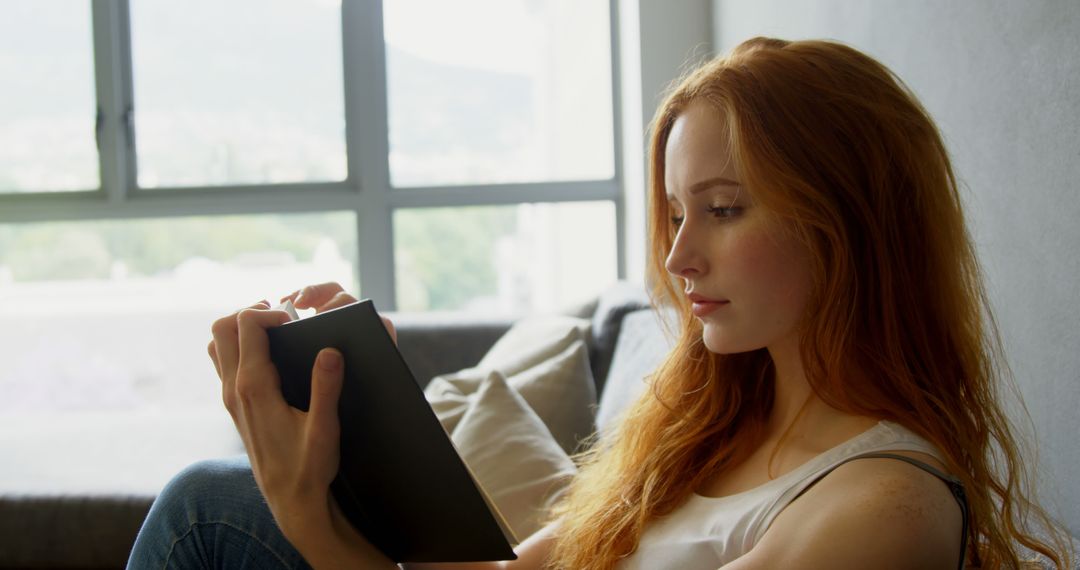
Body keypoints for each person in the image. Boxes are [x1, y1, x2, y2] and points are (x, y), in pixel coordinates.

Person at [127, 37, 1073, 569]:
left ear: (853, 221)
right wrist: (374, 437)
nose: (678, 253)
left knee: (209, 515)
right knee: (211, 501)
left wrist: (305, 524)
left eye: (724, 209)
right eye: (672, 213)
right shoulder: (713, 424)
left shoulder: (883, 508)